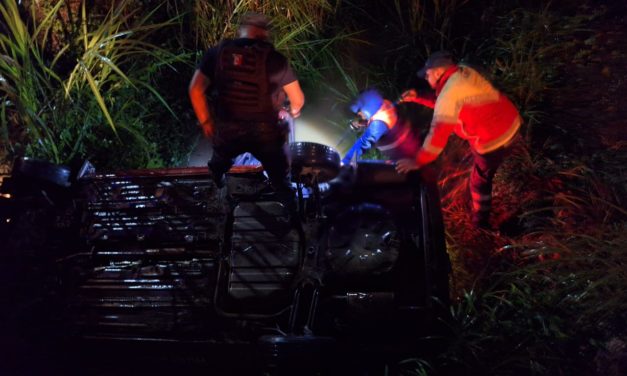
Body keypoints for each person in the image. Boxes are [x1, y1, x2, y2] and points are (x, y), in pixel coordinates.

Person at [395, 51, 521, 229]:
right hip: (510, 119)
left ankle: (481, 221)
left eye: (428, 74)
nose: (426, 77)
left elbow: (438, 133)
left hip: (496, 138)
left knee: (479, 181)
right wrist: (418, 97)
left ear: (438, 72)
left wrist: (417, 161)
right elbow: (445, 100)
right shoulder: (462, 73)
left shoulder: (450, 92)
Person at [188, 12, 305, 203]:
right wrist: (293, 110)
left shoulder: (217, 53)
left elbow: (195, 89)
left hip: (228, 131)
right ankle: (291, 214)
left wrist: (206, 122)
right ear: (264, 34)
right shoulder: (275, 59)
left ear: (242, 31)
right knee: (281, 178)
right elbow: (298, 99)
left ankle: (219, 186)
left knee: (219, 163)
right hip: (267, 134)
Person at [342, 89, 422, 165]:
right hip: (410, 139)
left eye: (360, 111)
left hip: (402, 152)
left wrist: (346, 161)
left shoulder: (378, 124)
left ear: (368, 107)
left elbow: (363, 143)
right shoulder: (382, 105)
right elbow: (377, 119)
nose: (359, 114)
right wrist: (362, 123)